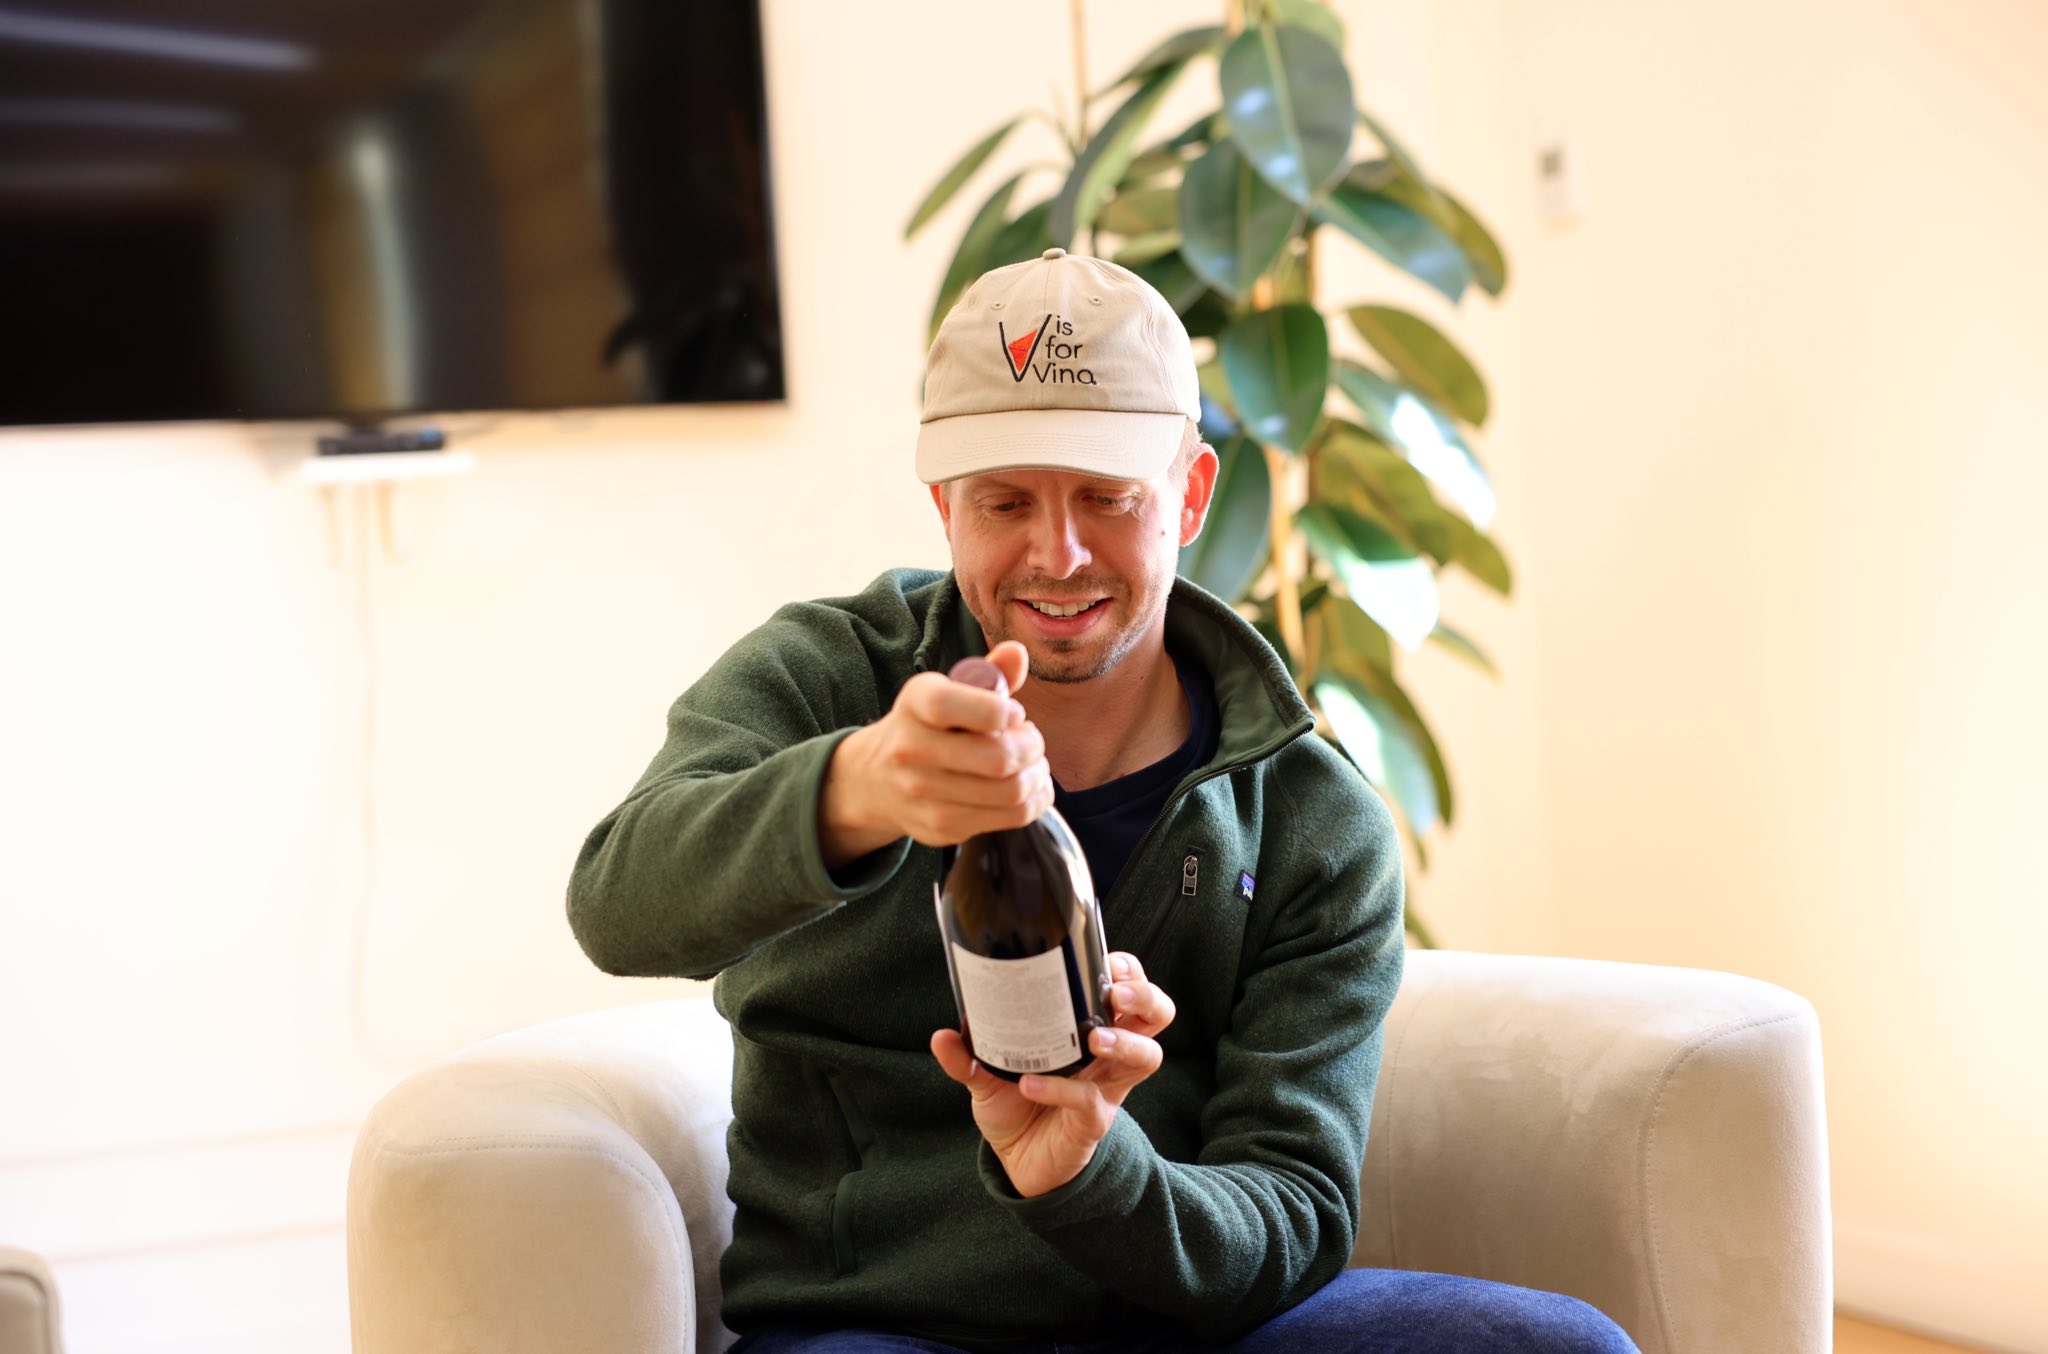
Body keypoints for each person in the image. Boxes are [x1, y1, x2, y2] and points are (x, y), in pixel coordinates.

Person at [566, 249, 1639, 1353]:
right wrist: (858, 789)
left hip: (1189, 1324)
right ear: (944, 508)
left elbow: (1292, 1210)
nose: (1058, 553)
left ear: (1191, 494)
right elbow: (615, 905)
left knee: (1562, 1349)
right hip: (877, 1326)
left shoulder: (1313, 820)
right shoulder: (824, 677)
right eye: (1005, 501)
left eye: (1107, 497)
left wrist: (1091, 1170)